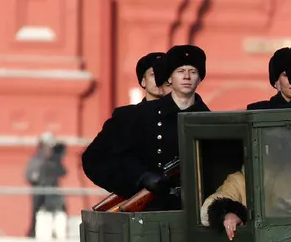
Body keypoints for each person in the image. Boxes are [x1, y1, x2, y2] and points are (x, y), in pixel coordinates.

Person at [82, 44, 210, 211]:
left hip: (197, 214)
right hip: (149, 215)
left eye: (193, 72)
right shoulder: (136, 116)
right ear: (169, 78)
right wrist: (139, 177)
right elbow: (94, 159)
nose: (186, 77)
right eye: (180, 71)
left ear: (200, 78)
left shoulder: (210, 120)